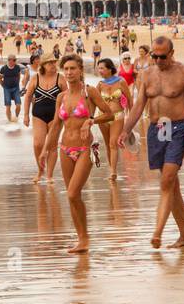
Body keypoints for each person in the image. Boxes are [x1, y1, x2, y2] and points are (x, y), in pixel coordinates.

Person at [119, 36, 184, 249]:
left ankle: (157, 232)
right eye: (154, 56)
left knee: (166, 181)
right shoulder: (147, 74)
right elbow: (138, 106)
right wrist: (125, 129)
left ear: (172, 53)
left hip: (177, 128)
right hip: (157, 130)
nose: (157, 60)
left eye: (162, 56)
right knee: (172, 185)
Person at [42, 55, 111, 254]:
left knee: (72, 193)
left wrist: (91, 121)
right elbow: (56, 125)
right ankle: (81, 238)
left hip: (85, 149)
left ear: (80, 70)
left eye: (73, 68)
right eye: (66, 69)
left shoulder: (89, 93)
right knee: (73, 197)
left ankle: (85, 237)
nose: (69, 72)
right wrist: (46, 150)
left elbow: (109, 114)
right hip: (65, 148)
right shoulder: (61, 97)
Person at [22, 58, 64, 183]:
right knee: (37, 144)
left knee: (52, 145)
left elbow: (67, 97)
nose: (53, 65)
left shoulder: (60, 78)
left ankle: (50, 175)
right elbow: (28, 96)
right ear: (43, 65)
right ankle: (40, 171)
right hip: (38, 114)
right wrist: (25, 115)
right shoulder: (36, 78)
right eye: (50, 63)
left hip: (56, 115)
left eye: (54, 63)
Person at [95, 58, 130, 180]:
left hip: (118, 116)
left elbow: (130, 101)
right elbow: (93, 102)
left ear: (110, 69)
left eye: (102, 68)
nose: (100, 71)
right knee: (107, 143)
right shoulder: (99, 84)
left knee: (113, 143)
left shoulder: (121, 82)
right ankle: (111, 169)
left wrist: (130, 119)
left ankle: (113, 172)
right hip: (103, 117)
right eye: (98, 68)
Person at [0, 55, 25, 122]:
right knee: (8, 106)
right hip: (7, 89)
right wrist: (3, 86)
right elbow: (0, 79)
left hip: (16, 88)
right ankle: (9, 121)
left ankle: (16, 118)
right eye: (14, 60)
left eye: (15, 60)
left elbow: (18, 75)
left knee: (18, 105)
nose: (15, 62)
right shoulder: (3, 68)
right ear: (9, 60)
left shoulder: (17, 67)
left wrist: (17, 83)